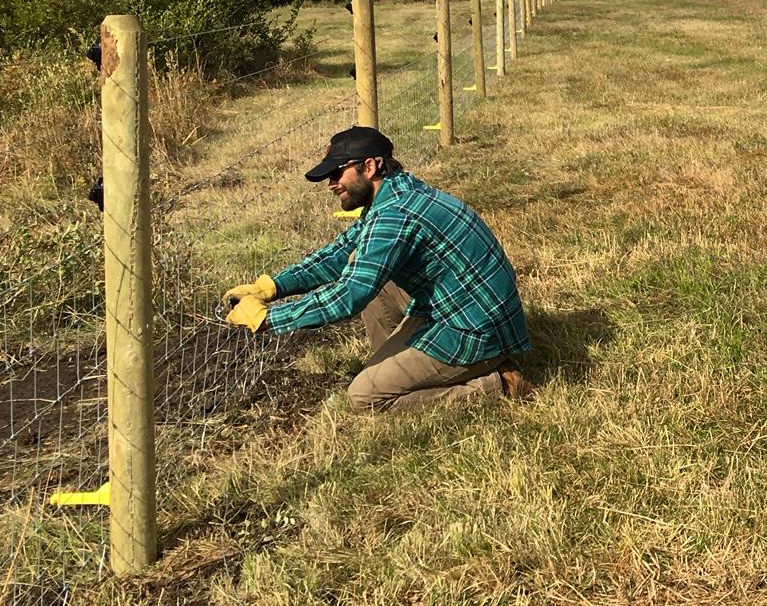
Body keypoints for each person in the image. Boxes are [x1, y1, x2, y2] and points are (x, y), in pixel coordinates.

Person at [221, 127, 533, 412]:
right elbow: (339, 253)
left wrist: (268, 318)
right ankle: (400, 369)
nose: (331, 184)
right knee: (364, 264)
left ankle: (497, 383)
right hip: (459, 307)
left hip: (475, 329)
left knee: (365, 398)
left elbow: (349, 296)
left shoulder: (394, 215)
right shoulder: (396, 195)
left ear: (369, 167)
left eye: (337, 173)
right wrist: (272, 286)